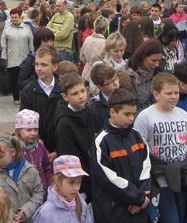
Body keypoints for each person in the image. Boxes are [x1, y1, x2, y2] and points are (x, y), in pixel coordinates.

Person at [134, 73, 187, 223]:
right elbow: (139, 153)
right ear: (156, 94)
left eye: (176, 93)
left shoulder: (183, 114)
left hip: (183, 177)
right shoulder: (145, 116)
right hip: (160, 179)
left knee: (185, 217)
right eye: (168, 93)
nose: (173, 97)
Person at [91, 88, 151, 223]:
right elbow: (108, 178)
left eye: (134, 114)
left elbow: (146, 167)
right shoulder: (102, 141)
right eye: (127, 114)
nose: (131, 118)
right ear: (112, 112)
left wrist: (141, 198)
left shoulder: (137, 136)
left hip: (138, 208)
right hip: (113, 211)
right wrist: (137, 197)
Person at [53, 73, 97, 202]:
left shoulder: (90, 112)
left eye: (83, 91)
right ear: (65, 97)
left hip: (95, 174)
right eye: (75, 93)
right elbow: (70, 155)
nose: (81, 96)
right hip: (80, 181)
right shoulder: (64, 124)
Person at [0, 133, 45, 222]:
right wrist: (7, 217)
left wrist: (25, 211)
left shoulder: (30, 171)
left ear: (13, 152)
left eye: (0, 156)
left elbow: (38, 194)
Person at [19, 46, 61, 156]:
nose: (39, 68)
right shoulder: (28, 91)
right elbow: (25, 123)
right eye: (36, 64)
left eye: (44, 65)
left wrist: (58, 150)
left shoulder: (63, 89)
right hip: (36, 148)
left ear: (55, 67)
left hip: (60, 147)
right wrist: (38, 145)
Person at [32, 155, 92, 223]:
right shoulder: (46, 213)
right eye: (71, 182)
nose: (76, 188)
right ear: (57, 181)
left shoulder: (82, 204)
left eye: (79, 182)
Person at [14, 109, 53, 195]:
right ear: (18, 131)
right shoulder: (14, 149)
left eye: (36, 129)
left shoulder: (40, 145)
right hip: (23, 192)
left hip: (42, 189)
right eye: (29, 130)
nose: (33, 133)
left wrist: (50, 184)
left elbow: (46, 166)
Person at [1, 8, 34, 103]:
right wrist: (4, 58)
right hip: (12, 59)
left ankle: (25, 97)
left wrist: (32, 57)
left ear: (20, 17)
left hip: (25, 58)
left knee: (25, 79)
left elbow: (31, 44)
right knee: (15, 79)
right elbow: (3, 45)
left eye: (16, 17)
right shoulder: (6, 29)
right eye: (12, 17)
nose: (14, 19)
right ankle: (16, 97)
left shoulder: (27, 29)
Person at [126, 39, 162, 109]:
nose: (157, 64)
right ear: (142, 57)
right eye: (153, 60)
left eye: (159, 61)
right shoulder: (126, 74)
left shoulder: (157, 74)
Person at [87, 63, 120, 131]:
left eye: (116, 78)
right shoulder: (93, 108)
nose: (116, 83)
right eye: (110, 82)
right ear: (100, 87)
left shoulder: (127, 96)